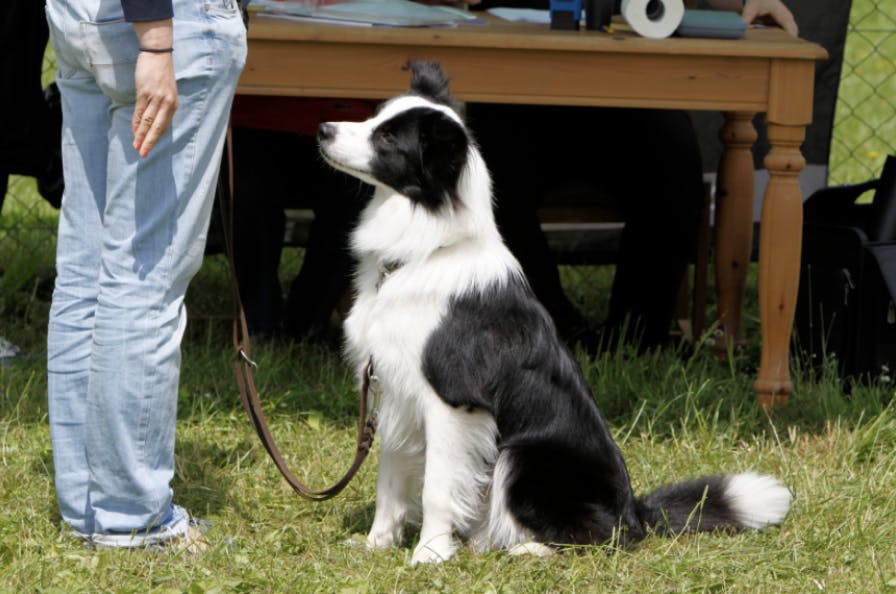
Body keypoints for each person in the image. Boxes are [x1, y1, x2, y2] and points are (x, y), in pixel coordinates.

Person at [466, 0, 798, 352]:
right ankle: (551, 331)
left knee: (674, 165)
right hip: (514, 91)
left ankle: (633, 339)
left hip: (627, 91)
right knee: (482, 178)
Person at [44, 0, 247, 549]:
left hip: (84, 17)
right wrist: (158, 39)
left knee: (87, 274)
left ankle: (88, 505)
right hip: (162, 25)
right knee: (144, 277)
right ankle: (131, 517)